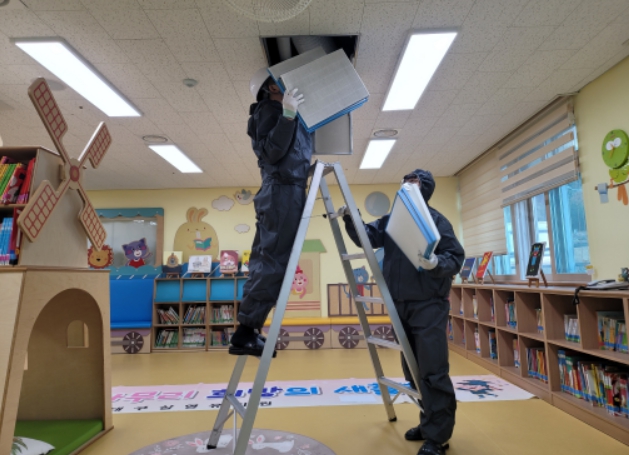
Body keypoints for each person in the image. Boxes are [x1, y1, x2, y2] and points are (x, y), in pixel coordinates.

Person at [341, 169, 464, 455]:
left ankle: (438, 438)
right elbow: (367, 237)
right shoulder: (391, 220)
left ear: (425, 189)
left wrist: (437, 263)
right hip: (400, 305)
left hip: (428, 304)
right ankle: (428, 422)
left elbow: (455, 257)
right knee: (413, 369)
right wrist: (351, 218)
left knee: (433, 370)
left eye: (414, 183)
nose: (407, 187)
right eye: (405, 182)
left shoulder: (436, 221)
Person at [229, 68, 312, 357]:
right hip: (282, 191)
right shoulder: (269, 110)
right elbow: (272, 151)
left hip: (284, 190)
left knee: (268, 259)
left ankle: (248, 329)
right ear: (271, 88)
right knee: (273, 261)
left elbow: (288, 152)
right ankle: (245, 331)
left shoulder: (280, 112)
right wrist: (288, 115)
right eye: (280, 83)